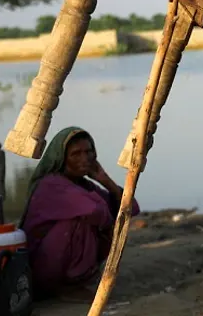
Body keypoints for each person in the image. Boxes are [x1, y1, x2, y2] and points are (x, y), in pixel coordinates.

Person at [19, 127, 139, 301]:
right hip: (41, 270)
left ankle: (73, 282)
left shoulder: (83, 185)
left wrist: (105, 180)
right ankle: (60, 287)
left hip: (55, 265)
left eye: (88, 152)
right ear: (61, 157)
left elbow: (132, 209)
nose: (85, 159)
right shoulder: (52, 184)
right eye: (76, 154)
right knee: (80, 221)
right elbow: (96, 211)